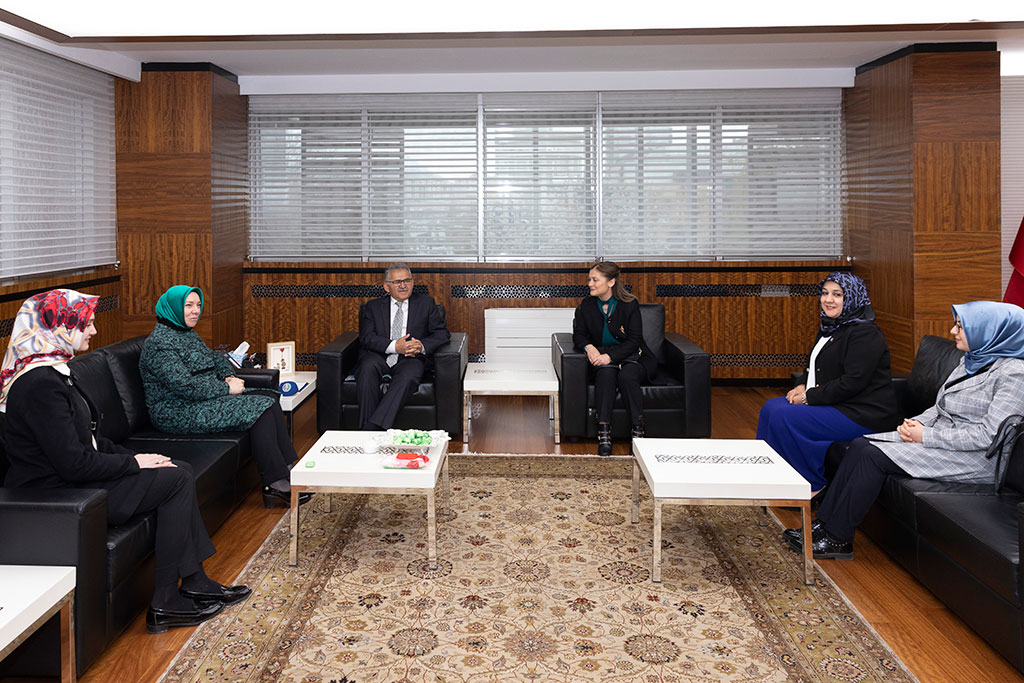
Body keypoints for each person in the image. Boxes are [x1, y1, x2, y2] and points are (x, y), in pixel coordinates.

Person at [0, 289, 250, 634]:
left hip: (78, 480)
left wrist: (138, 457)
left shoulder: (54, 374)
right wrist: (134, 465)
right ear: (60, 326)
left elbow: (90, 441)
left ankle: (194, 582)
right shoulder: (39, 386)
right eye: (87, 324)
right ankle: (166, 601)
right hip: (62, 494)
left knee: (176, 468)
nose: (94, 331)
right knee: (176, 479)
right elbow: (73, 464)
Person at [786, 301, 1024, 560]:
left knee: (872, 456)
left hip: (977, 459)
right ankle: (823, 526)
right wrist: (914, 424)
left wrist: (926, 436)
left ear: (989, 332)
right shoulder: (972, 360)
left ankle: (837, 539)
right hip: (942, 440)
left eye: (960, 327)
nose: (952, 332)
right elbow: (940, 406)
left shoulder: (1014, 374)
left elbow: (989, 436)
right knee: (860, 444)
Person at [139, 285, 310, 508]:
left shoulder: (186, 333)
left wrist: (229, 376)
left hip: (201, 399)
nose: (195, 311)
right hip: (177, 411)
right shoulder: (159, 344)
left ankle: (287, 471)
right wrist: (226, 388)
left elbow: (216, 359)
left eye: (198, 305)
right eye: (188, 305)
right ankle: (275, 483)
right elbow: (185, 386)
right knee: (262, 407)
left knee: (269, 396)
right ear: (172, 308)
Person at [756, 272, 899, 493]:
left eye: (837, 294)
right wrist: (802, 384)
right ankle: (773, 480)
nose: (828, 300)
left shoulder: (865, 333)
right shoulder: (831, 326)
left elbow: (852, 382)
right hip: (837, 403)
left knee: (785, 416)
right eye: (824, 293)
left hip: (861, 413)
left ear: (852, 297)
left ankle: (810, 485)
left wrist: (808, 397)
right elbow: (814, 366)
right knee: (770, 407)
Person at [572, 261, 657, 456]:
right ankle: (604, 433)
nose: (590, 284)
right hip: (602, 357)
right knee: (605, 374)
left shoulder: (629, 304)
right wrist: (589, 347)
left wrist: (610, 357)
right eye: (589, 279)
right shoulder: (587, 305)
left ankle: (638, 432)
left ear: (611, 282)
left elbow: (634, 340)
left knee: (627, 376)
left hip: (633, 357)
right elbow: (579, 335)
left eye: (595, 280)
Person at [354, 264, 450, 430]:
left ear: (412, 283)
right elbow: (367, 338)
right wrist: (394, 347)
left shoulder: (426, 304)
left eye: (407, 280)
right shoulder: (372, 307)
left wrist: (421, 346)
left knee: (408, 376)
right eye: (397, 282)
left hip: (411, 357)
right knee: (366, 369)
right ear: (387, 287)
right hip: (379, 355)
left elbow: (442, 334)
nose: (403, 285)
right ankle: (370, 428)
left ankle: (370, 429)